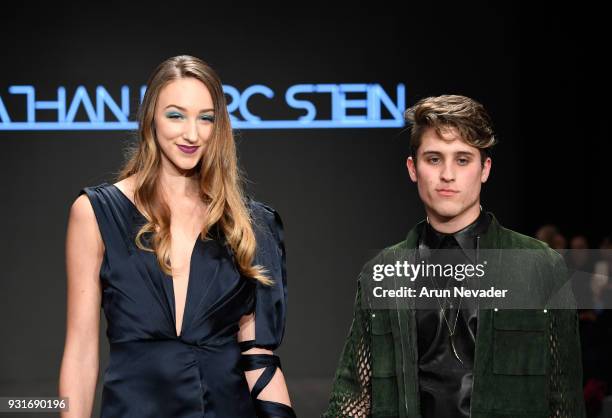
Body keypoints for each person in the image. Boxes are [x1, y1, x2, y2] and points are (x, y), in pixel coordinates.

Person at [59, 55, 296, 418]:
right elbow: (80, 352)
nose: (192, 134)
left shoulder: (251, 223)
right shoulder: (95, 213)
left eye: (206, 118)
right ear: (150, 117)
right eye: (176, 115)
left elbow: (258, 359)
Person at [323, 95, 585, 417]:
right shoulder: (383, 273)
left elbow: (564, 398)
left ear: (485, 168)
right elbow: (354, 395)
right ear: (413, 169)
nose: (448, 174)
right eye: (434, 159)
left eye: (462, 160)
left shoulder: (540, 267)